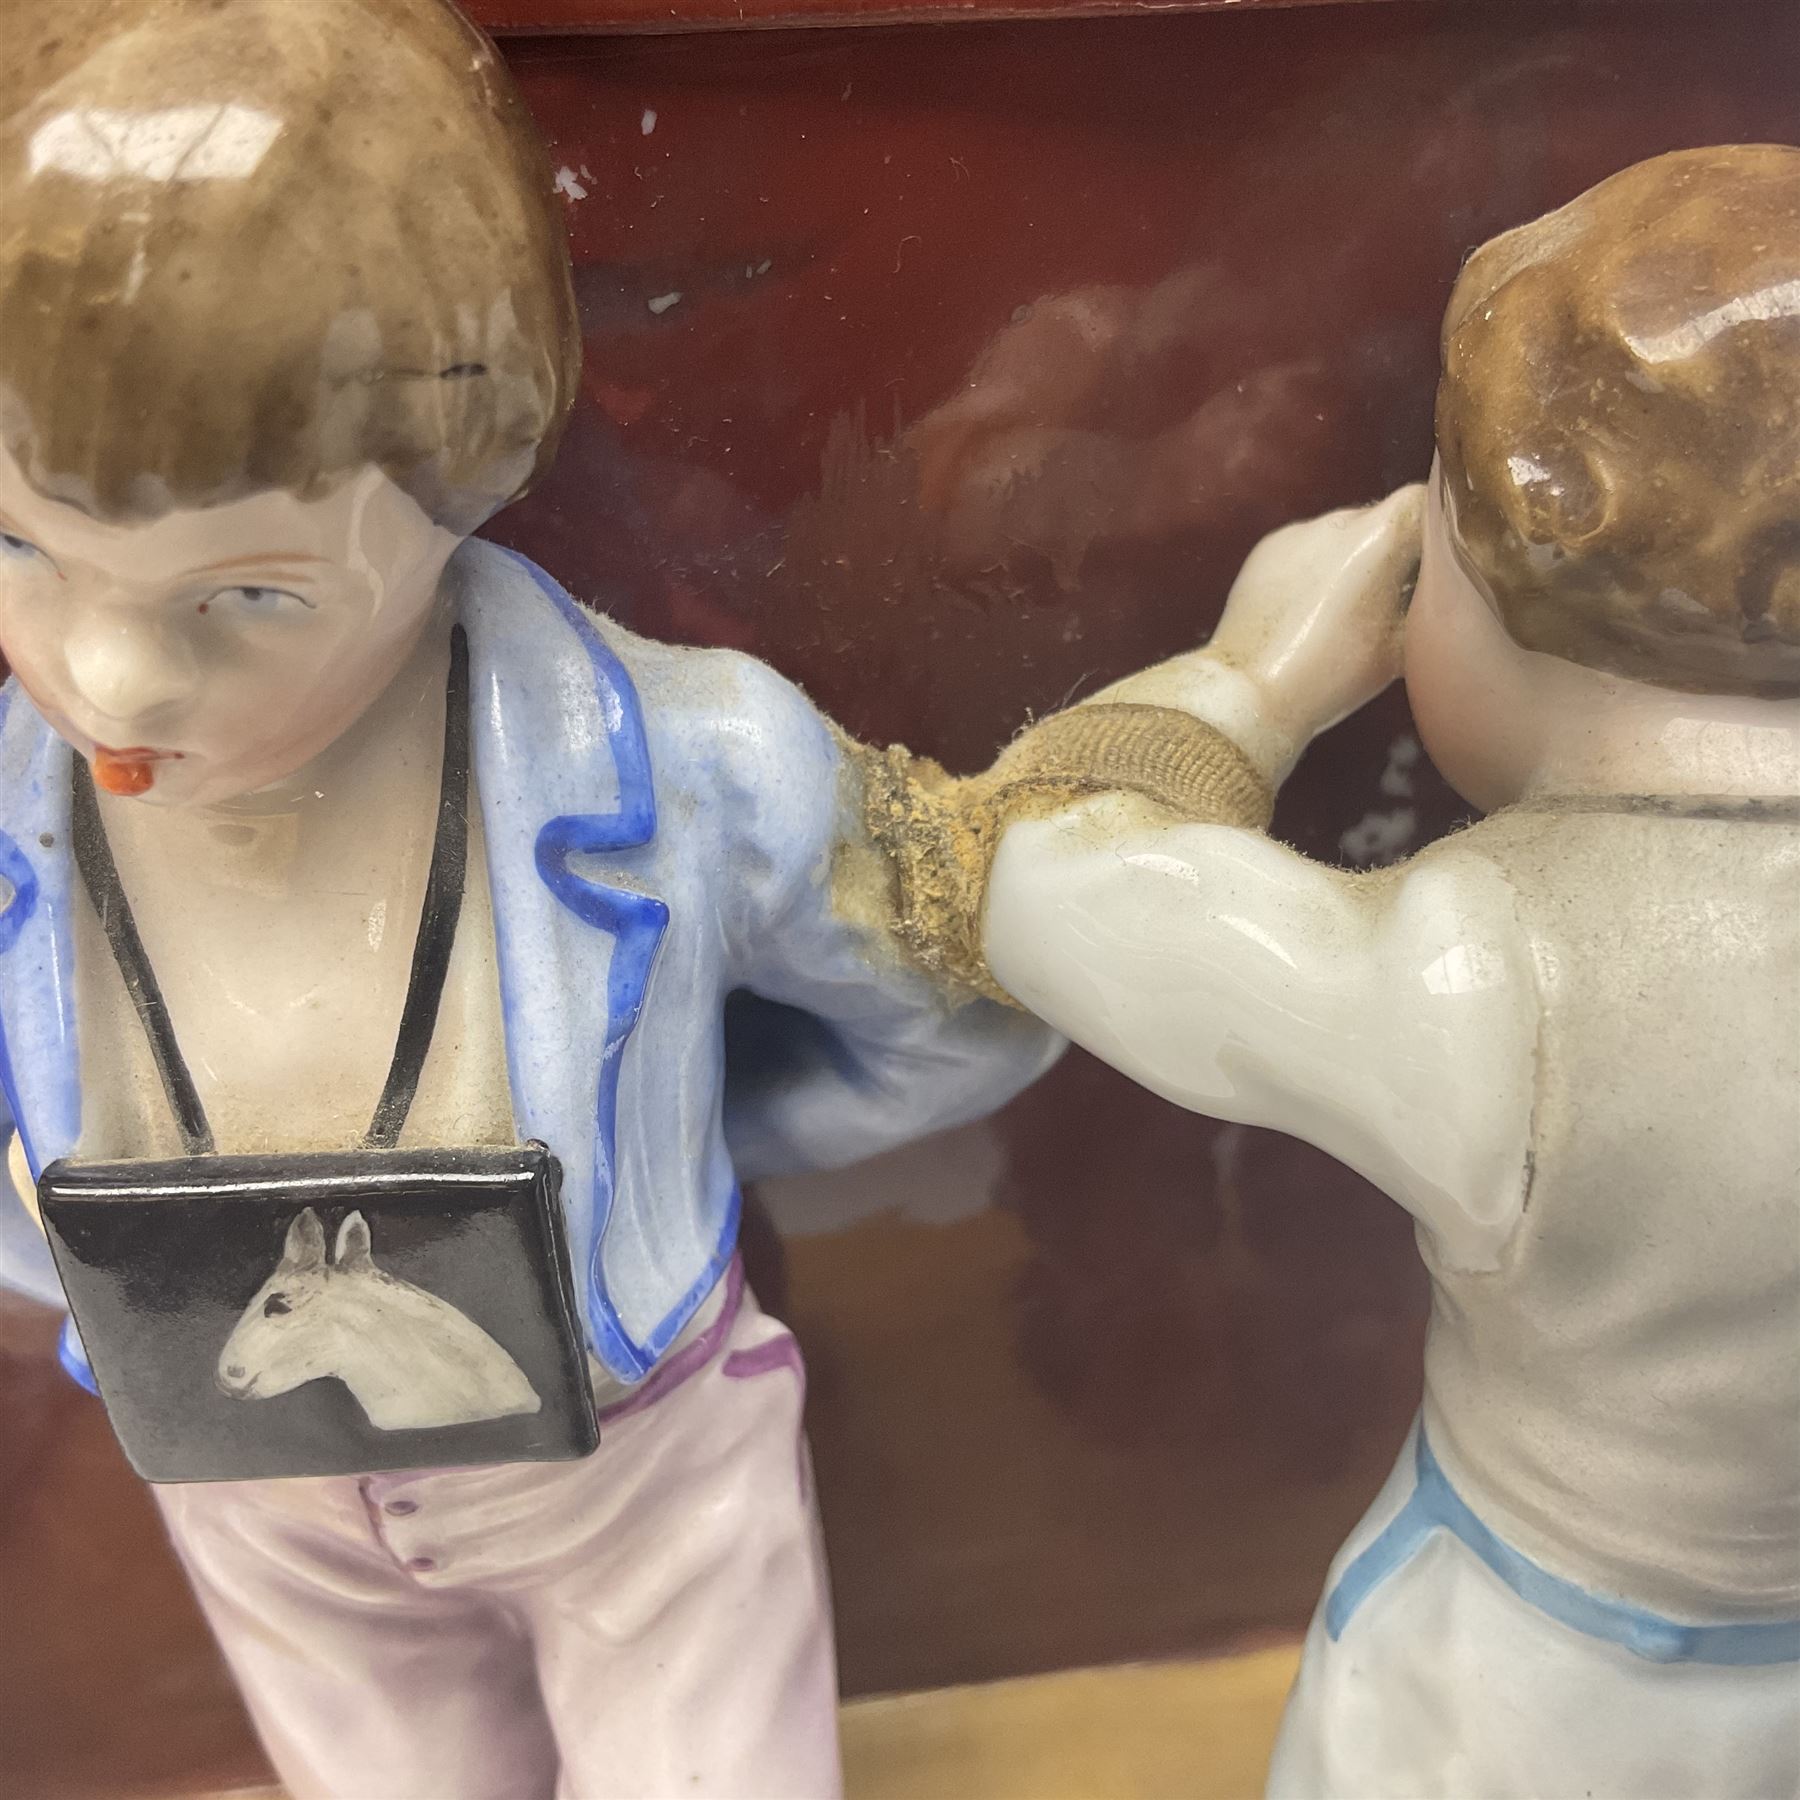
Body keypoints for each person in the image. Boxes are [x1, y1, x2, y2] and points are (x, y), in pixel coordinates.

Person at [0, 3, 1059, 1795]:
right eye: (20, 549)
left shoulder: (699, 770)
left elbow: (951, 1005)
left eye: (243, 598)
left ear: (461, 489)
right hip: (245, 1488)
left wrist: (707, 1140)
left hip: (632, 1467)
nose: (107, 678)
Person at [868, 144, 1800, 1797]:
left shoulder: (1494, 984)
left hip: (1529, 1686)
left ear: (1506, 569)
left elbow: (1023, 878)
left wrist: (1252, 681)